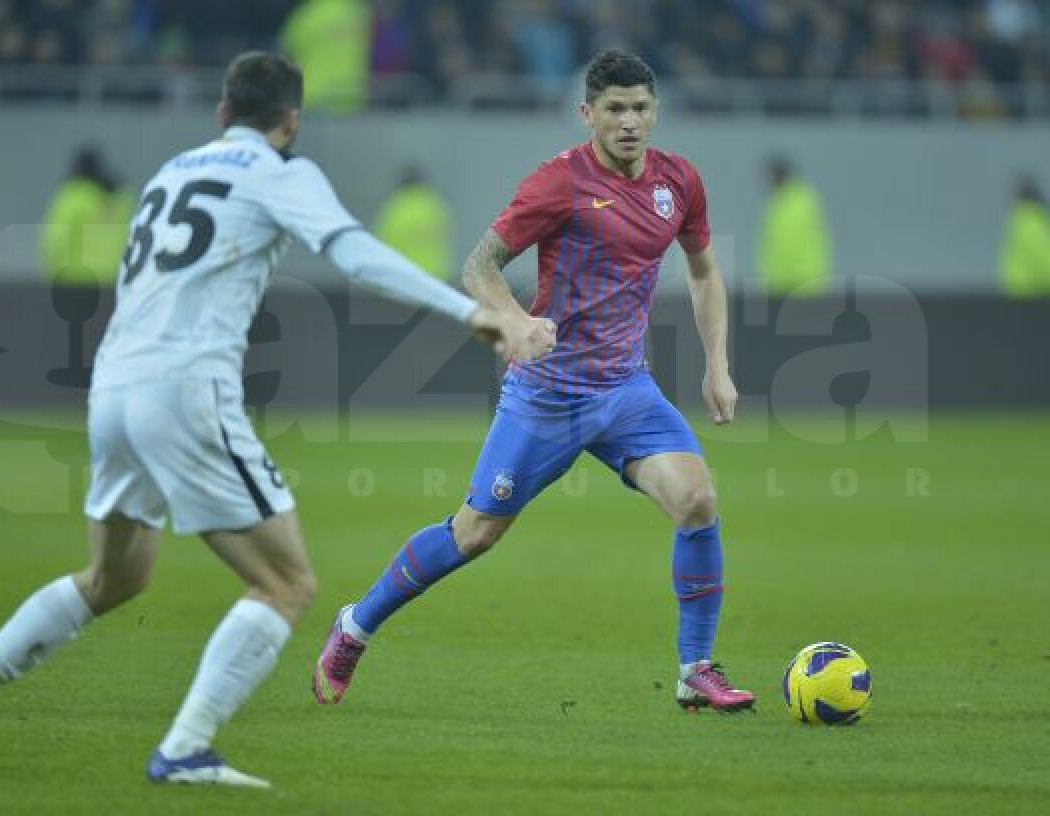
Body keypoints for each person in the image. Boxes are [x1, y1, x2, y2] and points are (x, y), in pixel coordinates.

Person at [0, 51, 554, 788]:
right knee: (287, 584)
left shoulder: (171, 172)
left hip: (112, 391)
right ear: (292, 122)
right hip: (186, 392)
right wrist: (472, 313)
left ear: (222, 114)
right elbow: (353, 253)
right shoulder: (281, 172)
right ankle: (184, 747)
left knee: (113, 577)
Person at [313, 49, 756, 713]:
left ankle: (695, 669)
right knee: (475, 534)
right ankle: (355, 625)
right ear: (588, 114)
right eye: (614, 109)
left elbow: (702, 272)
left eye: (639, 107)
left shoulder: (680, 183)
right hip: (547, 394)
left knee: (696, 501)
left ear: (655, 110)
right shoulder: (559, 183)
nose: (629, 121)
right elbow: (479, 265)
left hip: (626, 390)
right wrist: (516, 321)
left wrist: (716, 363)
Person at [40, 146, 134, 285]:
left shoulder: (71, 199)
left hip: (76, 282)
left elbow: (54, 242)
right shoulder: (123, 202)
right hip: (115, 281)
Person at [757, 156, 832, 297]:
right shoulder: (784, 200)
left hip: (801, 283)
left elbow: (786, 242)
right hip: (786, 283)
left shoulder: (795, 202)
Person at [374, 164, 454, 280]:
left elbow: (382, 244)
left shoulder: (394, 210)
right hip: (438, 276)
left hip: (406, 276)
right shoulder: (436, 207)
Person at [999, 174, 1050, 297]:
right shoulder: (1034, 222)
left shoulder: (1019, 222)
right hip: (1037, 293)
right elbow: (1043, 258)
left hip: (1022, 293)